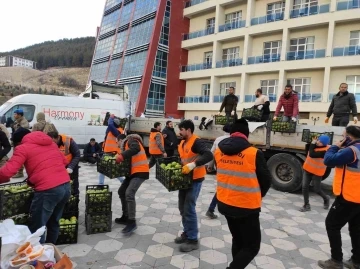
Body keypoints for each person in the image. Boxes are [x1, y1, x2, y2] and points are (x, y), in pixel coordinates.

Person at [214, 119, 272, 269]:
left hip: (225, 203)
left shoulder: (219, 151)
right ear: (247, 135)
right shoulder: (253, 153)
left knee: (238, 240)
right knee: (252, 246)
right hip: (246, 207)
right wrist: (259, 195)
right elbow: (266, 181)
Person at [0, 128, 70, 244]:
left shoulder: (23, 148)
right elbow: (64, 162)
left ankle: (39, 257)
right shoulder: (51, 144)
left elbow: (8, 172)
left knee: (37, 228)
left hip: (48, 190)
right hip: (65, 186)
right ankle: (50, 252)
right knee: (54, 222)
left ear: (19, 141)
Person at [318, 126, 360, 269]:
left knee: (332, 224)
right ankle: (356, 261)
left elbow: (328, 160)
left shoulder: (351, 151)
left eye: (343, 136)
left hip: (348, 197)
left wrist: (335, 146)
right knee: (356, 228)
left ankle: (336, 261)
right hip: (358, 197)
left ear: (348, 137)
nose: (341, 138)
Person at [175, 120, 213, 252]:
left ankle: (193, 239)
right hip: (184, 179)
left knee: (189, 208)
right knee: (182, 207)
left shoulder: (196, 141)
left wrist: (193, 165)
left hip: (195, 179)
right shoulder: (182, 142)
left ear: (188, 130)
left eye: (181, 129)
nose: (179, 132)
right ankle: (187, 232)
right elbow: (183, 158)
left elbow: (209, 154)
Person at [115, 134, 149, 234]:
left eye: (117, 142)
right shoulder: (126, 146)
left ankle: (132, 222)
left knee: (129, 193)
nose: (117, 144)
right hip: (132, 173)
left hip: (140, 172)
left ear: (121, 140)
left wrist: (122, 156)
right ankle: (125, 216)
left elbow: (136, 148)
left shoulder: (131, 141)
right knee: (122, 191)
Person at [205, 124, 231, 219]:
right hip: (232, 168)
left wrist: (210, 166)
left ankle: (212, 209)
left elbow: (212, 153)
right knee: (224, 189)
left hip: (219, 167)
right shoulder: (235, 140)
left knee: (223, 188)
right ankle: (211, 209)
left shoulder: (218, 139)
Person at [300, 135, 331, 212]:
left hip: (317, 172)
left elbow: (312, 154)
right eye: (318, 140)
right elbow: (308, 150)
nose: (318, 142)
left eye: (321, 142)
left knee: (316, 189)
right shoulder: (314, 146)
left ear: (324, 144)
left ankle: (326, 198)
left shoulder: (326, 151)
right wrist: (311, 144)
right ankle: (306, 205)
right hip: (307, 169)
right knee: (304, 187)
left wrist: (313, 144)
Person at [99, 115, 124, 184]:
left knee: (112, 169)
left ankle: (123, 181)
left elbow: (110, 124)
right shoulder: (111, 130)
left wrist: (111, 118)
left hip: (113, 153)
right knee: (104, 168)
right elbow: (109, 126)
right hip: (107, 152)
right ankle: (101, 184)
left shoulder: (118, 131)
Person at [11, 109, 29, 178]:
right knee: (16, 157)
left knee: (20, 157)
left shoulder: (24, 122)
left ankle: (20, 172)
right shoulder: (17, 121)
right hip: (16, 141)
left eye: (15, 114)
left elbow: (22, 131)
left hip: (21, 142)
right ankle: (18, 171)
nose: (14, 115)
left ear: (19, 115)